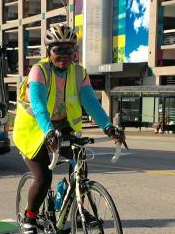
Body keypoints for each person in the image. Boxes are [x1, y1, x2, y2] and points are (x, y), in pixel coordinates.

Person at [13, 23, 125, 234]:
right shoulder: (39, 71)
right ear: (49, 51)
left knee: (79, 166)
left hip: (62, 125)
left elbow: (91, 102)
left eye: (69, 49)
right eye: (58, 50)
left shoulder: (79, 72)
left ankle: (75, 207)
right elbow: (37, 105)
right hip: (33, 129)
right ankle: (30, 218)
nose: (64, 55)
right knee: (43, 177)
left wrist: (108, 127)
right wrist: (47, 131)